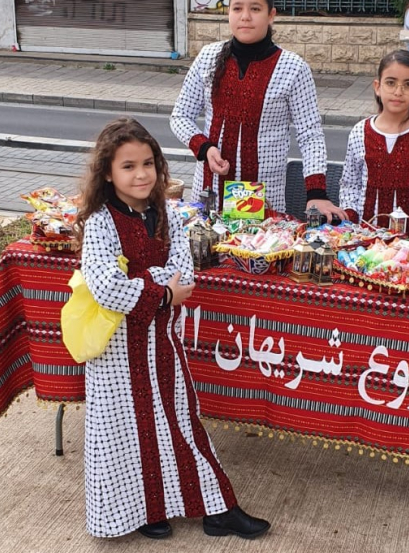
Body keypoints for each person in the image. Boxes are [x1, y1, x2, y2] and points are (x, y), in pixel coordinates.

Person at [72, 117, 271, 541]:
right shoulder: (101, 222)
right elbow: (106, 286)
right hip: (117, 353)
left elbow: (184, 272)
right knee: (124, 434)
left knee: (180, 423)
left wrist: (144, 282)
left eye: (148, 163)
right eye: (128, 166)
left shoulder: (167, 215)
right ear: (107, 173)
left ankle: (216, 508)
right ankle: (143, 511)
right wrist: (162, 292)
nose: (141, 174)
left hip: (161, 344)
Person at [171, 0, 347, 222]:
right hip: (210, 192)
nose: (245, 16)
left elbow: (310, 135)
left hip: (264, 198)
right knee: (210, 245)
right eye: (237, 8)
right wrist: (204, 147)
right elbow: (180, 116)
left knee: (255, 246)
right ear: (228, 13)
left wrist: (316, 193)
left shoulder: (293, 67)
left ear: (271, 15)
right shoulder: (208, 57)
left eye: (255, 9)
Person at [339, 50, 409, 229]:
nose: (398, 92)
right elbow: (350, 183)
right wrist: (350, 216)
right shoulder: (359, 132)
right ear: (377, 87)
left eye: (408, 84)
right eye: (391, 83)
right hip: (365, 236)